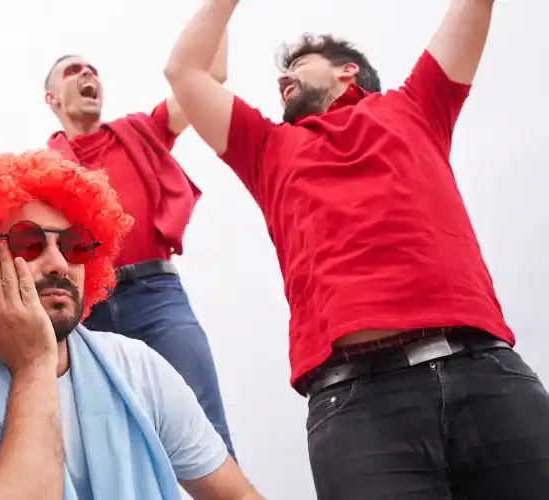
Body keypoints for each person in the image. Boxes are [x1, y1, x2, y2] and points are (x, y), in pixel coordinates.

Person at [164, 1, 549, 498]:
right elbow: (184, 70)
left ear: (349, 71)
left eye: (299, 63)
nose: (284, 76)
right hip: (357, 405)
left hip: (486, 374)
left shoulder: (419, 106)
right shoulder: (265, 147)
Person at [0, 151, 262, 500]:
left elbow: (238, 495)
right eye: (27, 243)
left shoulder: (137, 368)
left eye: (74, 246)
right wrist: (33, 365)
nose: (59, 264)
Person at [42, 43, 237, 456]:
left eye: (92, 69)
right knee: (105, 447)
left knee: (203, 429)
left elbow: (209, 77)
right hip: (85, 312)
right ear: (52, 99)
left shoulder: (142, 130)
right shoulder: (43, 168)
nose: (87, 75)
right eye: (73, 70)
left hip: (156, 299)